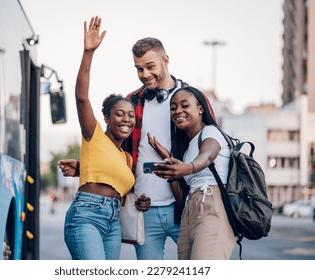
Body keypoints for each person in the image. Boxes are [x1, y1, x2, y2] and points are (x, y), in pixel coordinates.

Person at [59, 36, 216, 259]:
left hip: (184, 204)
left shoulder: (192, 98)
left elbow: (211, 141)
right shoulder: (132, 101)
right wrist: (84, 167)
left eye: (150, 66)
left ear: (165, 60)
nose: (144, 74)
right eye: (138, 68)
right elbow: (112, 148)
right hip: (144, 209)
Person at [60, 16, 137, 260]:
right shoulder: (93, 135)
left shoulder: (127, 159)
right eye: (120, 114)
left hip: (113, 222)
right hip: (86, 215)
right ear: (107, 118)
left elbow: (115, 184)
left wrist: (141, 201)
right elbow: (81, 97)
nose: (126, 119)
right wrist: (88, 52)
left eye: (131, 115)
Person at [148, 86, 237, 260]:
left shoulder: (211, 132)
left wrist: (188, 167)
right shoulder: (188, 149)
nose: (177, 111)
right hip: (189, 212)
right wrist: (169, 167)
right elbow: (182, 199)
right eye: (173, 108)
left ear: (200, 109)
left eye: (184, 105)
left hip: (212, 206)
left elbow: (207, 155)